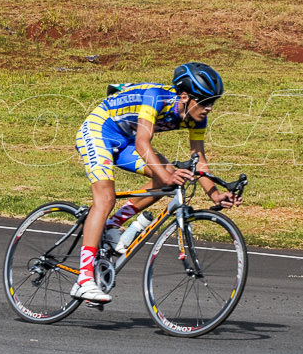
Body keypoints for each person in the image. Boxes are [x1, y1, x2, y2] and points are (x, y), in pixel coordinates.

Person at [71, 61, 240, 303]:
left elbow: (198, 159)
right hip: (99, 130)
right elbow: (142, 143)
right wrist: (167, 174)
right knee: (106, 197)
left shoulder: (197, 116)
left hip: (124, 139)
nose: (209, 108)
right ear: (184, 96)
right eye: (204, 101)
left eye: (213, 101)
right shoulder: (156, 98)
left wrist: (215, 195)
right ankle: (84, 279)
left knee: (168, 178)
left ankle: (112, 225)